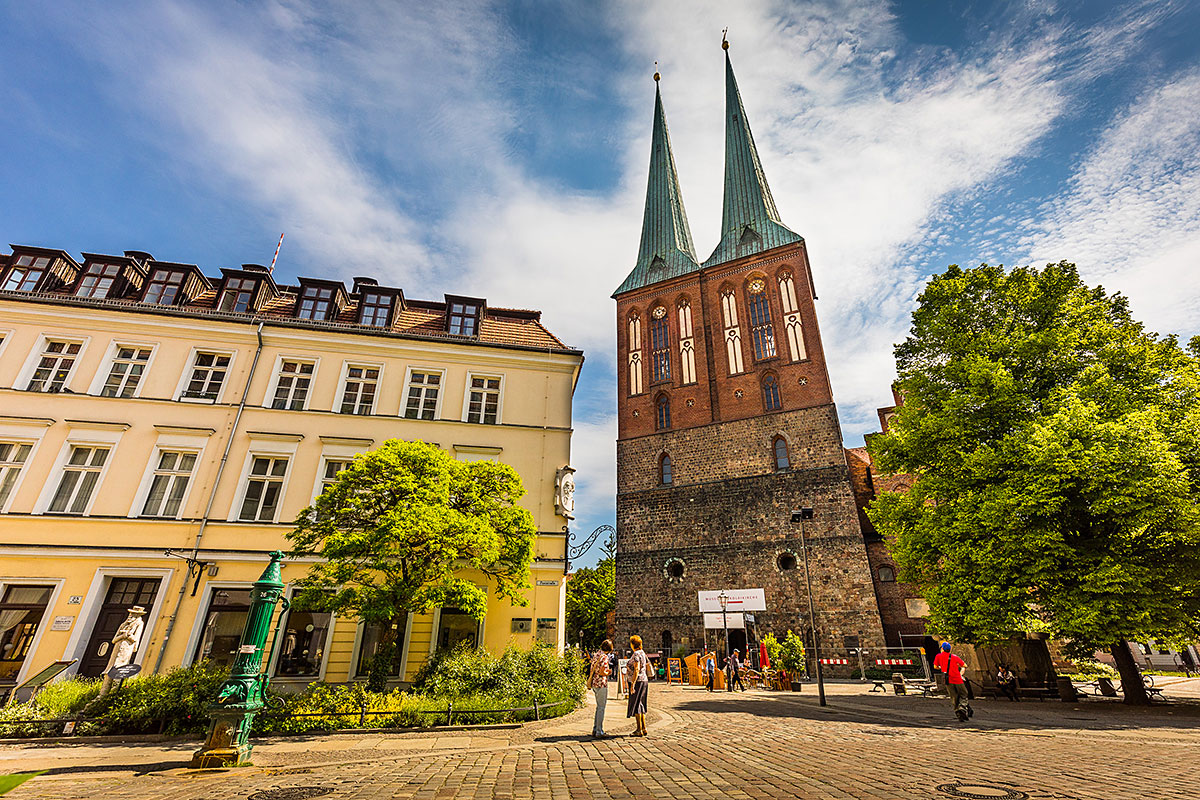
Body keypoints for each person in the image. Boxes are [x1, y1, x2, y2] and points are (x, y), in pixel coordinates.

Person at [934, 642, 972, 721]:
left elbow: (935, 666)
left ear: (942, 649)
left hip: (948, 680)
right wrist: (957, 666)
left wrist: (942, 667)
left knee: (954, 697)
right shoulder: (954, 657)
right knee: (964, 694)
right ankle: (962, 707)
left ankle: (958, 712)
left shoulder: (938, 656)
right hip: (958, 679)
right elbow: (964, 665)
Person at [625, 635, 650, 737]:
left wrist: (633, 684)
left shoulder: (636, 654)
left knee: (636, 704)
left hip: (638, 681)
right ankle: (644, 728)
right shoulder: (643, 653)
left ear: (632, 644)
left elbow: (636, 669)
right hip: (644, 680)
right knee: (641, 703)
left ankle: (639, 729)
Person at [588, 640, 613, 737]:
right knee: (601, 708)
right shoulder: (604, 657)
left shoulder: (597, 654)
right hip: (601, 684)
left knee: (598, 707)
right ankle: (599, 731)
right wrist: (608, 672)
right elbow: (602, 672)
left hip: (594, 683)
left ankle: (595, 729)